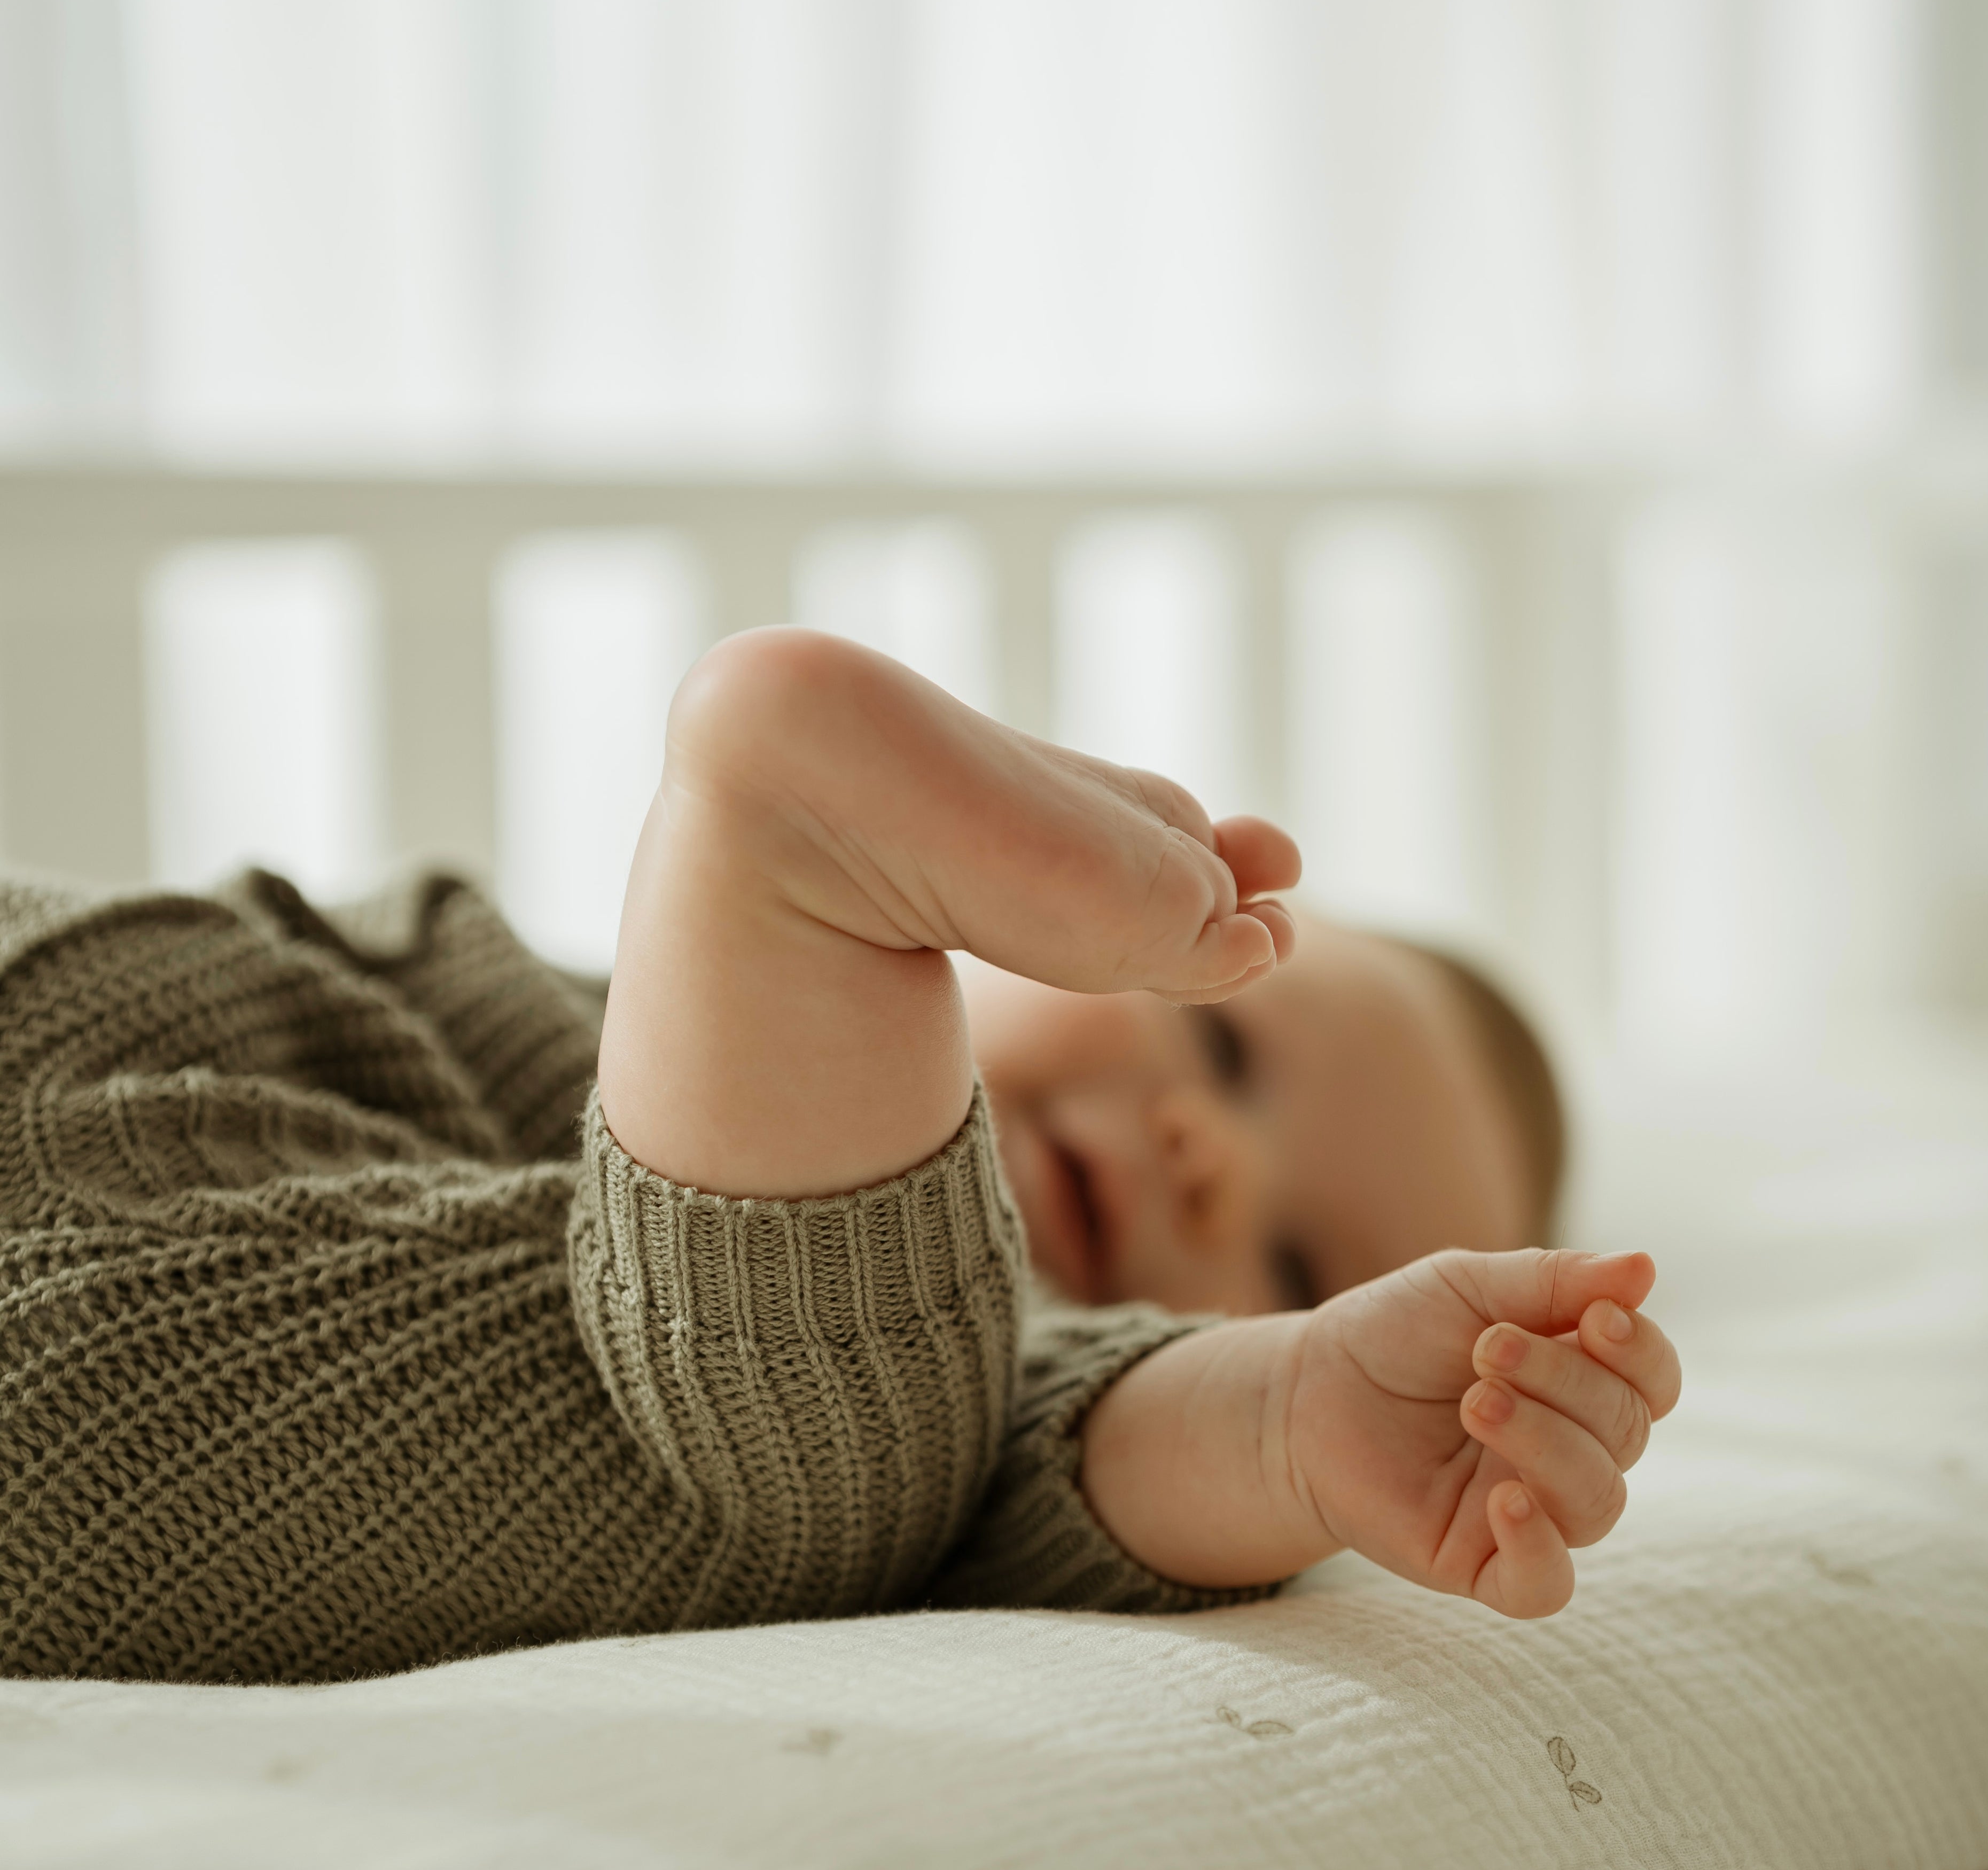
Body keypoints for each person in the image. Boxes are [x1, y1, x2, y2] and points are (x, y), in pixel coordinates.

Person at [0, 629, 1679, 1685]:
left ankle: (791, 856)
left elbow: (1026, 1451)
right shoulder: (595, 1043)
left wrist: (1290, 1418)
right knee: (825, 1484)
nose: (1204, 1159)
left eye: (1303, 1268)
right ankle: (779, 857)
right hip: (157, 1088)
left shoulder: (965, 1397)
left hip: (161, 1207)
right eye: (1220, 1036)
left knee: (893, 1461)